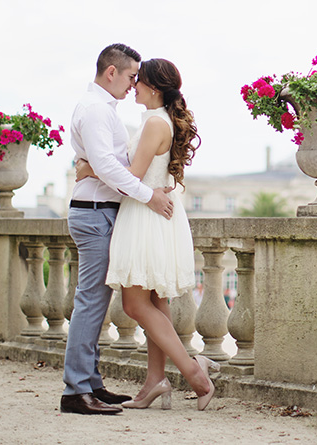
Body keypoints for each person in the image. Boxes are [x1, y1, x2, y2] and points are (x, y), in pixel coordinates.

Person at [77, 57, 217, 411]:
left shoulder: (156, 122)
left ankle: (194, 372)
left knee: (135, 303)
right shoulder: (160, 120)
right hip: (157, 215)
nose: (133, 85)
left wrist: (88, 167)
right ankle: (155, 381)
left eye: (139, 80)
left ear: (153, 87)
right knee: (156, 301)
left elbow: (131, 178)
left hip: (145, 215)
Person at [60, 44, 176, 416]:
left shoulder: (105, 111)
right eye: (129, 76)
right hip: (94, 212)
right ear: (111, 72)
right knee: (91, 301)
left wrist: (91, 167)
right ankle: (76, 390)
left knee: (96, 302)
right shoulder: (95, 110)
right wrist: (150, 197)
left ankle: (90, 383)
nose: (132, 85)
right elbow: (110, 168)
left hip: (104, 210)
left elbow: (108, 164)